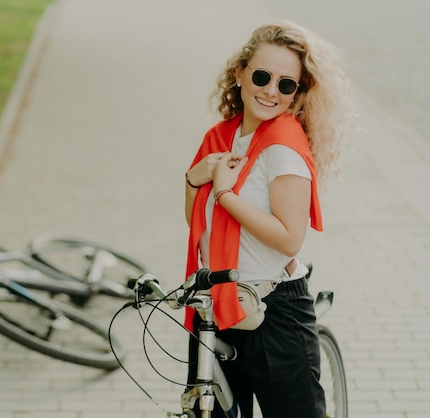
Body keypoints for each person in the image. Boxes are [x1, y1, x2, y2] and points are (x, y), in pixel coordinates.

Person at [183, 20, 356, 418]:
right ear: (240, 73)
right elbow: (197, 222)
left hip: (274, 310)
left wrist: (225, 195)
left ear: (297, 94)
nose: (270, 91)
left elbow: (289, 238)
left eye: (285, 84)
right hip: (217, 303)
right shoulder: (220, 138)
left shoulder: (283, 148)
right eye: (262, 76)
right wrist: (194, 178)